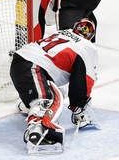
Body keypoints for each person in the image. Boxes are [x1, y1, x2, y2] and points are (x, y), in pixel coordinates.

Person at [10, 18, 99, 154]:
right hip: (33, 67)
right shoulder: (87, 46)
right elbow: (85, 79)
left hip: (22, 60)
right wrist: (79, 107)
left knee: (57, 92)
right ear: (91, 36)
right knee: (48, 102)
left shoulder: (63, 33)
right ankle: (38, 133)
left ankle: (30, 105)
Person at [32, 0, 102, 42]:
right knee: (83, 13)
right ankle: (88, 42)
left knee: (66, 34)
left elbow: (39, 22)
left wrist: (34, 44)